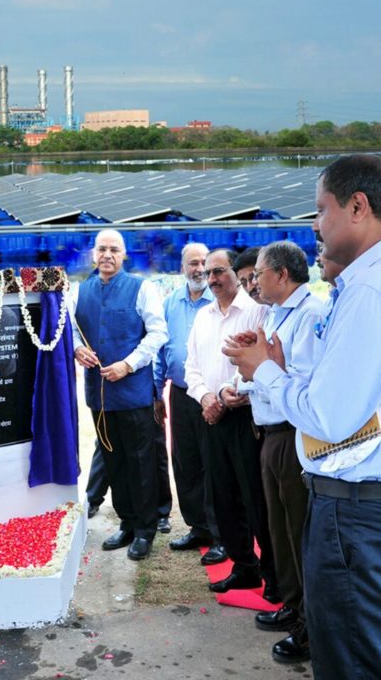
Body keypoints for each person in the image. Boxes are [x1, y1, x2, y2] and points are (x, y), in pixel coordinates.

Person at [226, 154, 381, 680]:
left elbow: (330, 416)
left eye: (320, 209)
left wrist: (264, 372)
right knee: (372, 652)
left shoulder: (373, 290)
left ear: (357, 206)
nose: (314, 225)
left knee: (355, 660)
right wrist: (283, 369)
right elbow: (352, 395)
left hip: (362, 514)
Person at [229, 240, 323, 664]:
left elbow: (302, 381)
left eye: (259, 275)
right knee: (280, 529)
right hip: (270, 431)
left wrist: (262, 368)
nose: (253, 284)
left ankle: (310, 624)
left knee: (299, 531)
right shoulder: (274, 314)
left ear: (283, 275)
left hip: (293, 433)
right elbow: (269, 375)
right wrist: (248, 375)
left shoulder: (311, 315)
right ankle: (292, 604)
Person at [71, 229, 167, 560]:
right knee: (114, 463)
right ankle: (126, 523)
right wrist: (77, 349)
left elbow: (158, 333)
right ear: (93, 254)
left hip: (132, 392)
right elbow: (68, 331)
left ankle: (145, 530)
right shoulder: (79, 291)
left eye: (114, 249)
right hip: (99, 397)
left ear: (123, 255)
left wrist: (128, 364)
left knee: (141, 463)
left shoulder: (143, 288)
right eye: (102, 249)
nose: (108, 255)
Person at [184, 248, 274, 595]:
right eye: (208, 273)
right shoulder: (203, 315)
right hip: (210, 416)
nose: (212, 279)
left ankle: (273, 573)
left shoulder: (257, 311)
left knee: (255, 498)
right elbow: (191, 366)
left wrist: (222, 398)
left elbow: (257, 364)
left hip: (245, 417)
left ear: (237, 273)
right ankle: (244, 566)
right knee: (223, 498)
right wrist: (207, 397)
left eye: (219, 271)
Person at [153, 242, 224, 563]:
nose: (198, 269)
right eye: (193, 263)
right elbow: (160, 351)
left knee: (215, 465)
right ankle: (198, 527)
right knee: (186, 463)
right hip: (180, 394)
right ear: (182, 267)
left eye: (203, 264)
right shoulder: (170, 303)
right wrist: (157, 393)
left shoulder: (219, 302)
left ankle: (222, 532)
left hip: (212, 396)